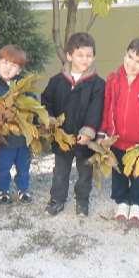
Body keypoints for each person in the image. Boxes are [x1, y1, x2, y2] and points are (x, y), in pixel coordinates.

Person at [99, 37, 139, 227]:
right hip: (116, 140)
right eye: (130, 57)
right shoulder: (113, 79)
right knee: (118, 172)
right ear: (125, 54)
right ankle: (121, 202)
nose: (132, 64)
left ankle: (137, 203)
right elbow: (107, 106)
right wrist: (104, 132)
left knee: (137, 175)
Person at [42, 33, 105, 217]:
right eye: (80, 55)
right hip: (62, 137)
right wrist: (50, 119)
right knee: (60, 171)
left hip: (84, 139)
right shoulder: (57, 81)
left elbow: (97, 108)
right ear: (69, 56)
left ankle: (82, 201)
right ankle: (57, 200)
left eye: (89, 55)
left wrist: (89, 131)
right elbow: (46, 101)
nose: (85, 59)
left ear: (93, 56)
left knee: (85, 173)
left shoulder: (98, 84)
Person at [0, 44, 34, 205]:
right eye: (4, 62)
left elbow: (33, 105)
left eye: (13, 65)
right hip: (3, 138)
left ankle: (23, 189)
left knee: (23, 166)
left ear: (19, 70)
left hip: (22, 137)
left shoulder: (24, 86)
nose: (8, 67)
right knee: (3, 166)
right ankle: (3, 190)